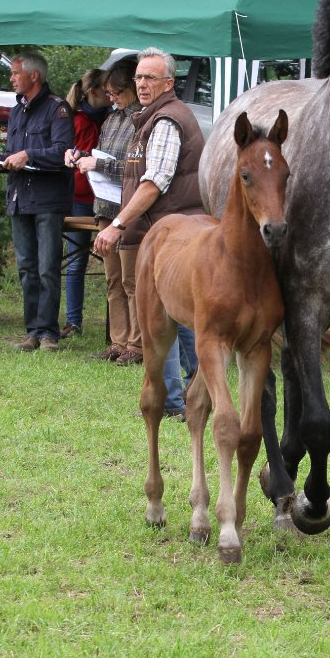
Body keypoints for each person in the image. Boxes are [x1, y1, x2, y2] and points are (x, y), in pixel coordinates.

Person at [92, 47, 206, 419]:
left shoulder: (167, 120)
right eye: (139, 77)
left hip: (171, 235)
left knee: (168, 319)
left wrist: (117, 224)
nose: (141, 84)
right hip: (167, 232)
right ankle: (188, 394)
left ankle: (177, 401)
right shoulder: (148, 118)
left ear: (168, 83)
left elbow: (155, 182)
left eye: (149, 78)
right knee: (178, 318)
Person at [0, 51, 74, 352]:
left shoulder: (57, 109)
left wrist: (30, 155)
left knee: (48, 266)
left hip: (48, 200)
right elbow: (14, 151)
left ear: (33, 76)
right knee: (26, 267)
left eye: (15, 73)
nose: (11, 79)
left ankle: (49, 333)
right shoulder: (15, 112)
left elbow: (65, 152)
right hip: (19, 197)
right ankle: (32, 331)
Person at [67, 60, 137, 362]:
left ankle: (137, 345)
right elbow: (102, 155)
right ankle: (118, 341)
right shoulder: (111, 119)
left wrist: (100, 164)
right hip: (105, 206)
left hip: (130, 210)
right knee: (113, 279)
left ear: (132, 89)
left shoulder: (142, 120)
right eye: (109, 94)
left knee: (132, 280)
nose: (112, 99)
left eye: (117, 93)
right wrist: (82, 156)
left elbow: (138, 170)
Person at [60, 69, 111, 339]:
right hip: (81, 197)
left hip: (107, 198)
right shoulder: (77, 120)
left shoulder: (111, 118)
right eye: (106, 90)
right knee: (77, 261)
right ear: (92, 92)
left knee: (113, 264)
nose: (111, 95)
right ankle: (73, 320)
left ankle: (116, 327)